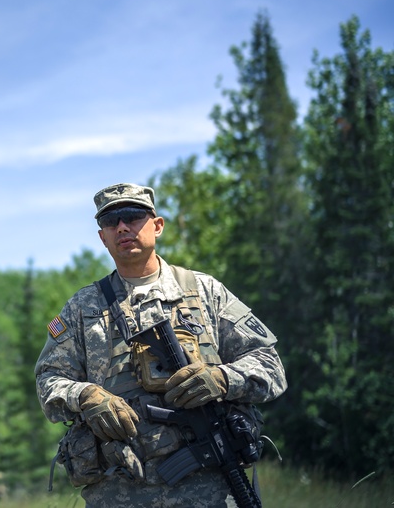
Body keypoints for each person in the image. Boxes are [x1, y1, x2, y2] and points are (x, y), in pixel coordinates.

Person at [35, 183, 286, 508]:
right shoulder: (84, 307)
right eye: (111, 221)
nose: (123, 226)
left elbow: (270, 366)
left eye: (133, 216)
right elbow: (48, 381)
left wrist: (223, 379)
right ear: (103, 237)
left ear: (157, 225)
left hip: (208, 492)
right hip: (118, 495)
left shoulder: (204, 291)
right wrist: (85, 396)